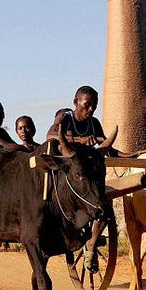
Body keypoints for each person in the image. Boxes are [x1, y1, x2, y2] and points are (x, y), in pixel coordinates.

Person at [46, 85, 108, 272]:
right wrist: (80, 141)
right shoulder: (65, 118)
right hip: (66, 173)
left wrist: (131, 155)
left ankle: (91, 243)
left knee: (105, 207)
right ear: (76, 103)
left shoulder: (94, 123)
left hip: (86, 177)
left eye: (94, 106)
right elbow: (50, 136)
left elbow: (106, 146)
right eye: (87, 105)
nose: (91, 110)